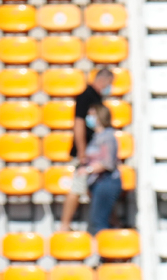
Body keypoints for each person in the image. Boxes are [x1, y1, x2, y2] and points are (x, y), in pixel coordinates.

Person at [58, 66, 114, 232]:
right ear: (103, 80)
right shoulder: (86, 96)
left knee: (99, 189)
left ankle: (113, 221)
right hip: (86, 153)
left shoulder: (95, 97)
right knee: (78, 186)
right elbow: (79, 124)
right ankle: (65, 225)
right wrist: (82, 152)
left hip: (93, 152)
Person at [83, 104, 123, 235]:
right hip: (98, 183)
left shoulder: (107, 137)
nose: (89, 118)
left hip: (107, 182)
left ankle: (105, 252)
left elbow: (108, 163)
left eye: (92, 115)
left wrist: (88, 170)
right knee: (99, 220)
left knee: (99, 222)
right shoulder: (97, 137)